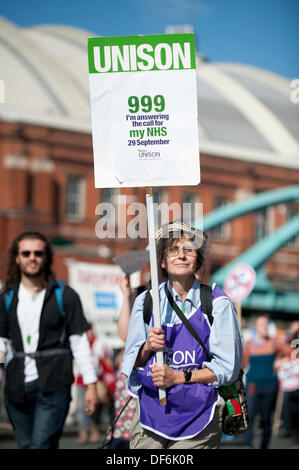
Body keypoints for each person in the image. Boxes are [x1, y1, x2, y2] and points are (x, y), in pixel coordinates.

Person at [121, 220, 243, 449]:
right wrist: (147, 347)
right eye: (173, 250)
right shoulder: (146, 302)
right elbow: (131, 363)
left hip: (200, 413)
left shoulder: (217, 304)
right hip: (151, 414)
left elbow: (227, 369)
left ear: (198, 259)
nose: (182, 256)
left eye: (189, 250)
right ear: (162, 261)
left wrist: (179, 377)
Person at [0, 231, 98, 449]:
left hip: (54, 383)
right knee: (27, 446)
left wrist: (91, 385)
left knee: (41, 445)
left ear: (46, 257)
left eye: (38, 253)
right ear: (17, 257)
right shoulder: (7, 297)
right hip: (16, 387)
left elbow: (79, 342)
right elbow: (1, 342)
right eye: (26, 253)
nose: (32, 258)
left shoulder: (65, 295)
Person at [242, 313, 292, 449]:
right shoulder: (248, 345)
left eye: (267, 324)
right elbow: (241, 365)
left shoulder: (275, 342)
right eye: (262, 324)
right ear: (255, 327)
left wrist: (282, 361)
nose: (265, 327)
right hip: (253, 384)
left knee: (265, 418)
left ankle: (264, 445)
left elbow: (293, 354)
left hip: (270, 385)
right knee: (250, 415)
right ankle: (248, 445)